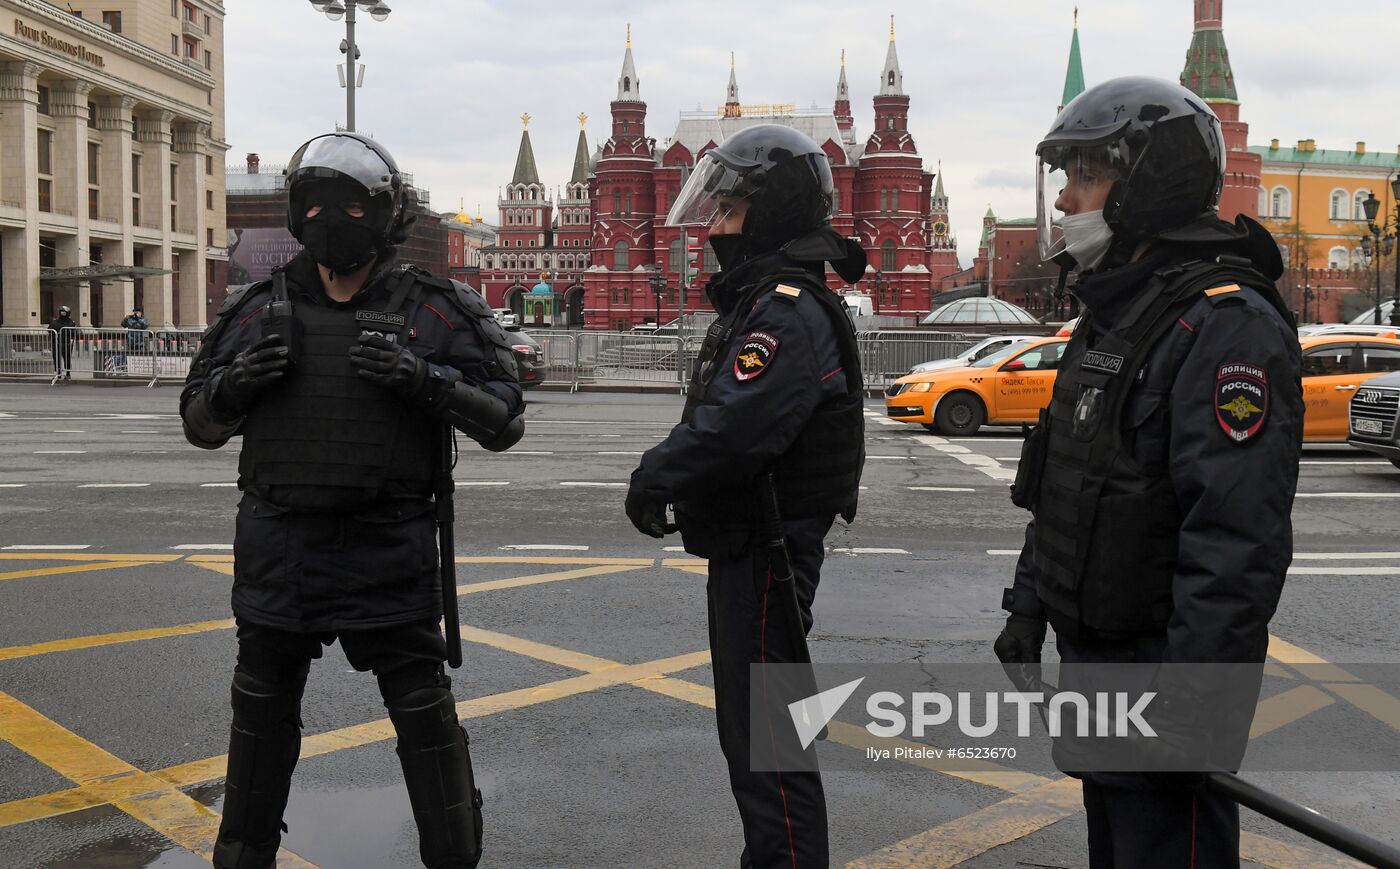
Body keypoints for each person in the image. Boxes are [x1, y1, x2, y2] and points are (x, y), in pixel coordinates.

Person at [180, 131, 525, 869]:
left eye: (352, 207)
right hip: (280, 554)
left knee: (428, 728)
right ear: (296, 216)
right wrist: (237, 385)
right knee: (259, 725)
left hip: (389, 552)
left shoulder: (437, 309)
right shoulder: (255, 311)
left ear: (386, 216)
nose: (332, 220)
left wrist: (423, 380)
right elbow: (198, 423)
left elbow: (503, 420)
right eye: (316, 205)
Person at [994, 77, 1303, 868]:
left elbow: (1233, 545)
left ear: (1148, 181)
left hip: (1163, 680)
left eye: (1084, 176)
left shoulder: (1226, 322)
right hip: (1100, 662)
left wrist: (1196, 711)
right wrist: (1029, 607)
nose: (1065, 200)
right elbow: (1064, 472)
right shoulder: (1116, 312)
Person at [627, 124, 867, 869]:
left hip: (768, 549)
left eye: (728, 211)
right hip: (748, 545)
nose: (714, 227)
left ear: (770, 212)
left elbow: (734, 425)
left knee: (771, 750)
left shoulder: (786, 310)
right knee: (757, 739)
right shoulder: (766, 300)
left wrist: (656, 475)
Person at [48, 304, 75, 379]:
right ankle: (58, 373)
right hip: (56, 343)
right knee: (56, 359)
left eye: (64, 312)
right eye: (61, 312)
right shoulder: (55, 322)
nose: (63, 314)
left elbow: (73, 332)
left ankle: (68, 373)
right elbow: (49, 330)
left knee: (67, 358)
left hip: (67, 343)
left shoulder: (71, 322)